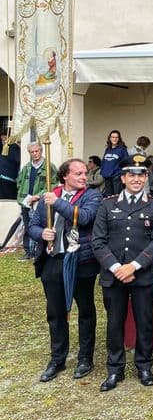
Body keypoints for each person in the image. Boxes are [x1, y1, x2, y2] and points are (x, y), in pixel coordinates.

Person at [91, 155, 153, 391]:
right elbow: (98, 241)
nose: (136, 179)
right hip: (113, 275)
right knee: (114, 323)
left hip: (142, 275)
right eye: (131, 175)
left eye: (141, 175)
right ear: (123, 178)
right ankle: (115, 369)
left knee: (144, 322)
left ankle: (144, 366)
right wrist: (117, 268)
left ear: (146, 178)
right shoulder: (107, 204)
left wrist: (133, 267)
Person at [28, 158, 102, 382]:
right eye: (78, 174)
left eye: (84, 173)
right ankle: (57, 359)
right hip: (53, 259)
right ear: (65, 176)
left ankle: (85, 358)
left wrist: (57, 202)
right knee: (56, 312)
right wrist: (42, 233)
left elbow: (85, 217)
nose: (83, 177)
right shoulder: (50, 196)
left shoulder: (92, 195)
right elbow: (32, 225)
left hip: (81, 261)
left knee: (85, 310)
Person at [16, 143, 57, 260]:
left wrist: (38, 196)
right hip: (26, 202)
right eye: (32, 152)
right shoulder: (27, 167)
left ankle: (39, 252)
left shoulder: (49, 166)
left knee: (39, 226)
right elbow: (20, 182)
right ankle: (28, 251)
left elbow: (54, 184)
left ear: (41, 151)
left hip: (40, 202)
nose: (34, 154)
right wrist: (22, 198)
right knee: (27, 225)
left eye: (36, 151)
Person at [100, 129, 129, 196]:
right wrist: (102, 171)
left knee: (117, 195)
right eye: (113, 137)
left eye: (116, 137)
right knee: (109, 196)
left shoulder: (122, 149)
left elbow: (126, 162)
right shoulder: (108, 149)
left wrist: (120, 173)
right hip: (107, 176)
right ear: (110, 138)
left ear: (119, 139)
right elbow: (104, 161)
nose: (114, 139)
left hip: (116, 176)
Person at [0, 133, 20, 199]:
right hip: (5, 180)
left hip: (8, 180)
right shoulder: (4, 147)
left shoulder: (13, 147)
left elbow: (18, 159)